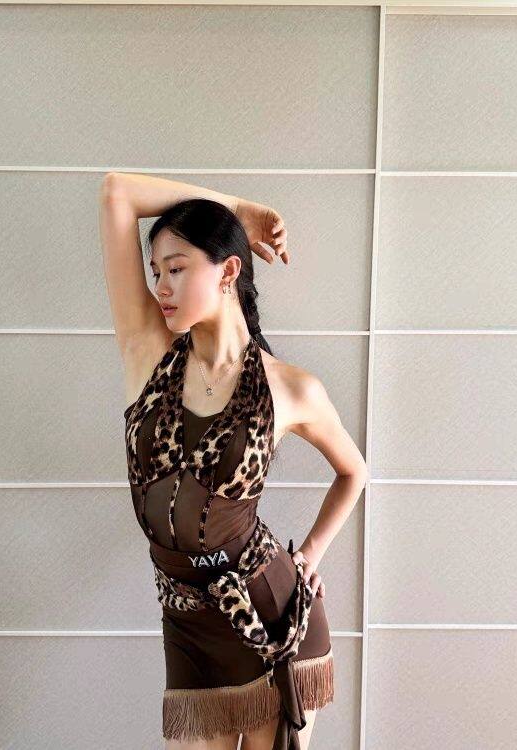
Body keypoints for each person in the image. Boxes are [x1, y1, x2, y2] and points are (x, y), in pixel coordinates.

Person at [99, 172, 367, 750]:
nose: (161, 286)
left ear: (227, 272)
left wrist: (310, 555)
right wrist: (238, 209)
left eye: (176, 268)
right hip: (188, 625)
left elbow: (354, 472)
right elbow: (117, 191)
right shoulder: (148, 351)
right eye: (155, 272)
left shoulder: (290, 388)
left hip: (269, 619)